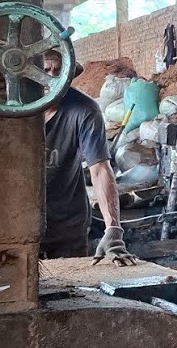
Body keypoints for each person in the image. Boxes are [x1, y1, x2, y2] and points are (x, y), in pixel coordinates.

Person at [41, 50, 137, 266]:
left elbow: (100, 168)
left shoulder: (84, 110)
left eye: (59, 71)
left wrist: (113, 229)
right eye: (45, 70)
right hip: (20, 223)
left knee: (72, 290)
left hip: (67, 223)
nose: (51, 77)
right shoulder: (12, 111)